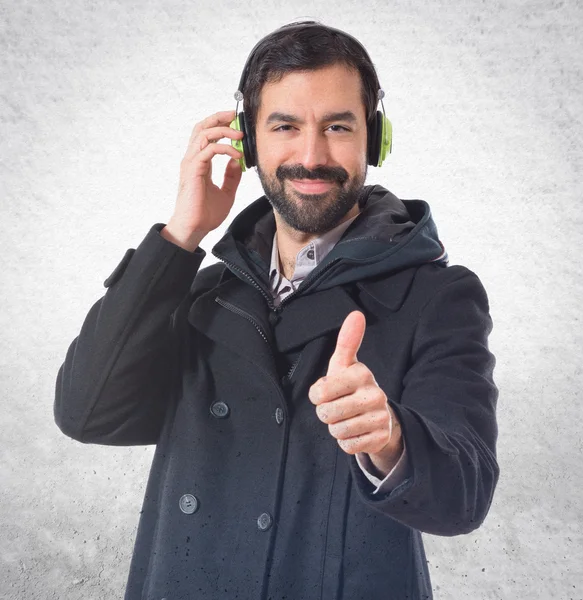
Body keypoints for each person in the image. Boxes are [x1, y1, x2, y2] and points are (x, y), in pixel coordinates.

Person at [54, 20, 500, 600]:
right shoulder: (197, 293)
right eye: (285, 126)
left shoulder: (439, 297)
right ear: (246, 139)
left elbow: (466, 496)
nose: (311, 157)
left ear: (375, 138)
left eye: (337, 126)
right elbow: (87, 414)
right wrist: (180, 235)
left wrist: (390, 438)